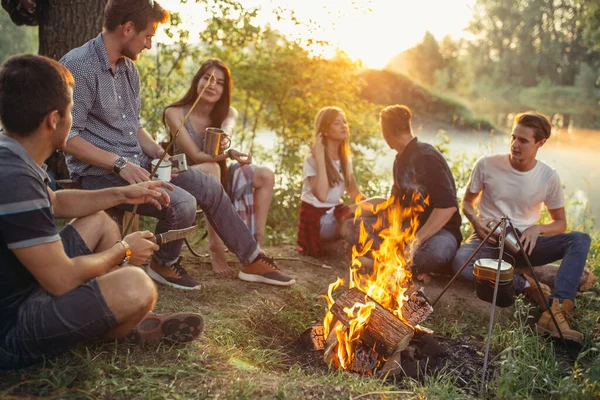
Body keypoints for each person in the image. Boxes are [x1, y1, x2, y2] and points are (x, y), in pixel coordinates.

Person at [60, 0, 295, 288]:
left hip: (141, 166)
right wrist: (120, 164)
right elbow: (67, 138)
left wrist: (160, 154)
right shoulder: (78, 66)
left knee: (209, 185)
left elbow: (133, 127)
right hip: (99, 175)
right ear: (128, 28)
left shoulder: (128, 71)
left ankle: (253, 259)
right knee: (182, 201)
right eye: (148, 36)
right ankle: (165, 264)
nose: (148, 44)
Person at [0, 54, 204, 370]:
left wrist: (123, 192)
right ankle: (115, 328)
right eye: (71, 111)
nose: (72, 119)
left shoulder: (12, 155)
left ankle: (106, 316)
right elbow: (59, 278)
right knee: (137, 286)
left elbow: (55, 203)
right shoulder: (16, 179)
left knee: (99, 222)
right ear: (54, 119)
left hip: (23, 283)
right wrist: (124, 251)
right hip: (10, 330)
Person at [452, 111, 591, 344]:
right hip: (488, 238)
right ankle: (527, 284)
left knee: (579, 239)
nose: (515, 145)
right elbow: (467, 203)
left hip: (526, 244)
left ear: (540, 143)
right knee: (460, 264)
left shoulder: (548, 177)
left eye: (523, 140)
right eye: (514, 137)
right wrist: (476, 220)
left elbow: (561, 223)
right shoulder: (487, 164)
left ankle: (556, 312)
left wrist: (537, 229)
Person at [163, 59, 275, 277]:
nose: (212, 85)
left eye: (220, 82)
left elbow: (228, 129)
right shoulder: (175, 112)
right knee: (213, 168)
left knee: (265, 175)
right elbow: (195, 155)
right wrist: (229, 154)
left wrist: (226, 140)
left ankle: (256, 245)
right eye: (208, 78)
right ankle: (216, 249)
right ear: (197, 80)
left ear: (225, 89)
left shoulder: (228, 112)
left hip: (218, 175)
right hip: (184, 176)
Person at [345, 105, 462, 282]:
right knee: (351, 226)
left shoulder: (427, 157)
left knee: (436, 254)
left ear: (385, 132)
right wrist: (363, 209)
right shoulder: (399, 160)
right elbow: (394, 206)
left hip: (437, 233)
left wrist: (415, 241)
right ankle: (402, 267)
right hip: (406, 230)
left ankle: (379, 265)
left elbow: (447, 208)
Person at [297, 106, 363, 257]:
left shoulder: (345, 159)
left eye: (344, 122)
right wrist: (320, 157)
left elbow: (356, 194)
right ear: (325, 130)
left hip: (336, 216)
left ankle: (350, 252)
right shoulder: (312, 160)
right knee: (355, 220)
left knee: (376, 209)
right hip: (318, 222)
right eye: (337, 123)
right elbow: (322, 195)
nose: (344, 126)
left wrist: (370, 210)